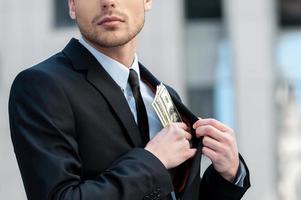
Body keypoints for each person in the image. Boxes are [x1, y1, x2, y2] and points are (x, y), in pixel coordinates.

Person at [8, 0, 250, 199]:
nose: (108, 2)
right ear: (72, 5)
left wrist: (229, 174)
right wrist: (152, 161)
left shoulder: (163, 94)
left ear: (147, 1)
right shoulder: (41, 86)